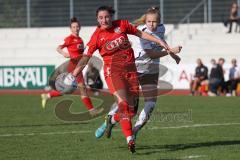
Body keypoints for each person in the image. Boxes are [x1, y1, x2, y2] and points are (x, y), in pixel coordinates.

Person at [65, 6, 178, 153]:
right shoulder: (96, 36)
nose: (104, 20)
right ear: (97, 19)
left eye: (106, 17)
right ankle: (130, 139)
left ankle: (110, 120)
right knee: (123, 104)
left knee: (130, 113)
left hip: (131, 71)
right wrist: (73, 74)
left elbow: (140, 34)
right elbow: (85, 58)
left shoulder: (122, 25)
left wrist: (160, 42)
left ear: (111, 17)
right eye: (101, 18)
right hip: (113, 73)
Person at [41, 17, 103, 116]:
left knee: (68, 89)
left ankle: (48, 95)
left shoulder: (80, 39)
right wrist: (64, 53)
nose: (76, 28)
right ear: (71, 28)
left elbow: (82, 54)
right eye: (74, 27)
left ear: (80, 27)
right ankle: (92, 110)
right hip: (73, 66)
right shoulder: (69, 39)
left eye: (77, 26)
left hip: (79, 66)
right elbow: (58, 47)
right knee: (81, 88)